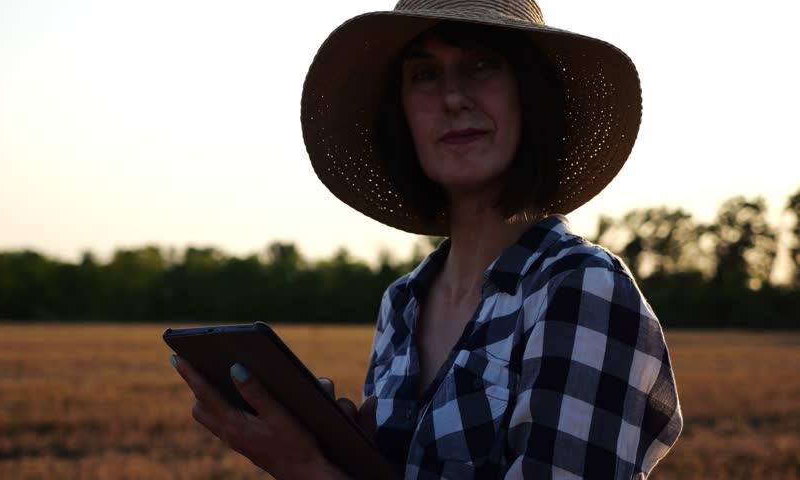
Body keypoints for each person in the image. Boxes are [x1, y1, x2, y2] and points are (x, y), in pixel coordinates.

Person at [170, 0, 683, 478]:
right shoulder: (403, 303)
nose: (453, 97)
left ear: (531, 93)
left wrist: (308, 469)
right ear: (403, 116)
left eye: (483, 64)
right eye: (424, 74)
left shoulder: (582, 288)